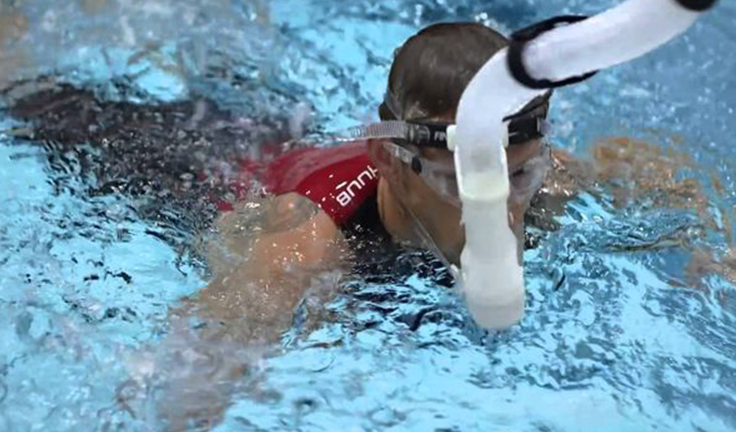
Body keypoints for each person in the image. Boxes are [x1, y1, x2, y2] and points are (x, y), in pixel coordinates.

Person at [189, 22, 552, 342]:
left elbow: (606, 165)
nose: (505, 210)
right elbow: (192, 371)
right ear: (385, 157)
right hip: (201, 168)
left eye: (520, 174)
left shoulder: (540, 175)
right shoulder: (308, 245)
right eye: (461, 182)